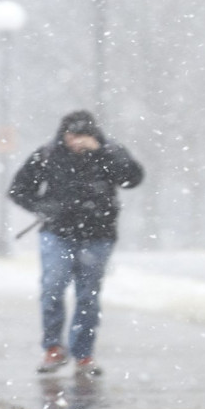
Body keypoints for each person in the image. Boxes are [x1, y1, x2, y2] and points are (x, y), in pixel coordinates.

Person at [9, 110, 144, 376]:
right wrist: (43, 206)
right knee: (52, 288)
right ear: (64, 135)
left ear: (93, 135)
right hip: (57, 233)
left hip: (99, 235)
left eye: (83, 135)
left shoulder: (109, 153)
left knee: (88, 296)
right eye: (73, 135)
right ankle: (53, 348)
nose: (77, 142)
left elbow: (133, 178)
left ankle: (83, 354)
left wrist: (104, 152)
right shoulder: (48, 155)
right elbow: (18, 189)